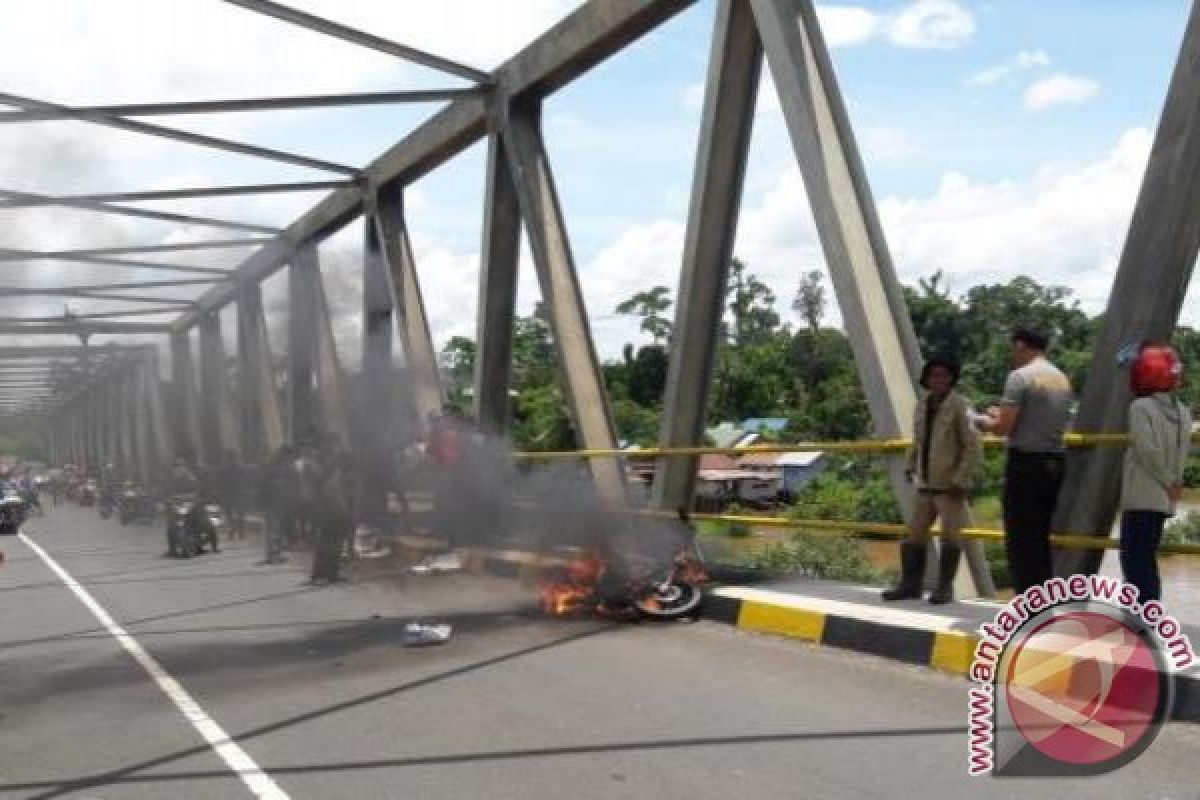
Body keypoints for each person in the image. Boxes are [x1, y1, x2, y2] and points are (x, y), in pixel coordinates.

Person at [883, 356, 981, 604]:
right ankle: (910, 584)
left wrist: (961, 478)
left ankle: (945, 588)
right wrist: (909, 464)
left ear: (952, 378)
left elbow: (973, 447)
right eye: (934, 375)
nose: (939, 380)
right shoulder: (922, 405)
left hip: (950, 485)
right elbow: (917, 439)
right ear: (926, 379)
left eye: (944, 375)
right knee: (914, 534)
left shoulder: (961, 406)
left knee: (950, 536)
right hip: (925, 483)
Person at [983, 328, 1074, 592]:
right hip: (1055, 462)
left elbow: (1003, 428)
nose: (1013, 354)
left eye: (1014, 348)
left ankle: (1027, 606)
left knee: (1022, 540)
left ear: (1021, 345)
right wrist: (1000, 415)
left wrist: (978, 421)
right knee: (1041, 537)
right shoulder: (1060, 378)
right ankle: (1044, 602)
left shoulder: (1020, 377)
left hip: (1027, 463)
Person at [1119, 343, 1192, 603]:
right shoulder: (1183, 412)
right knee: (1146, 560)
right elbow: (1182, 453)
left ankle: (1143, 621)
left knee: (1134, 561)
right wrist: (1173, 482)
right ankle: (1150, 617)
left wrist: (1165, 478)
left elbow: (1146, 449)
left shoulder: (1141, 407)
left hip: (1141, 494)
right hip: (1164, 498)